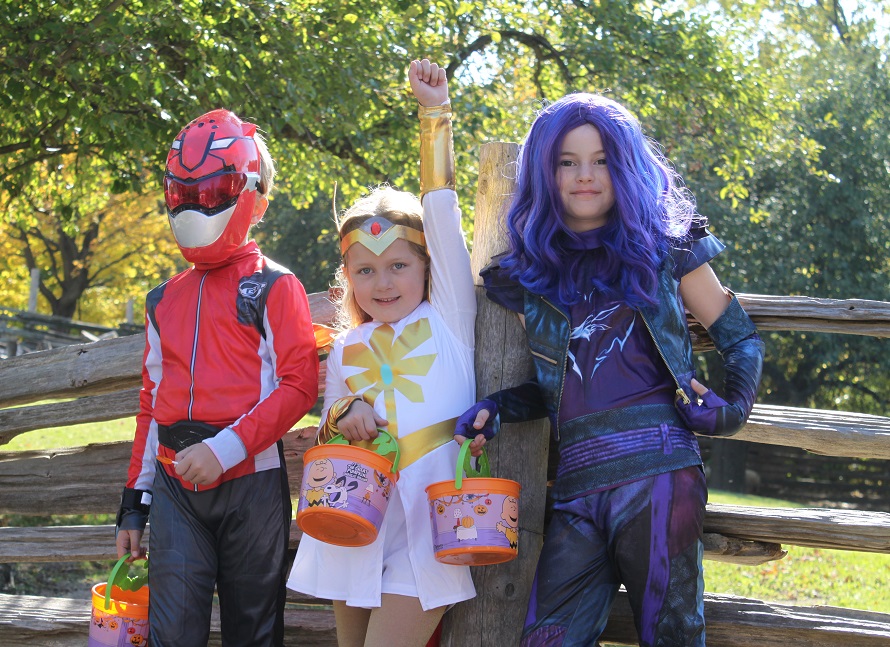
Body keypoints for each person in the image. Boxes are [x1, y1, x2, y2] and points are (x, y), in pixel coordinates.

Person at [453, 93, 764, 646]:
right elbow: (559, 388)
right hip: (575, 486)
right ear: (545, 173)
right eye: (567, 162)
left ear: (624, 165)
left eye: (600, 160)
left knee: (671, 634)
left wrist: (732, 408)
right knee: (547, 639)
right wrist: (497, 407)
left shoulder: (666, 246)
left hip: (660, 470)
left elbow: (738, 337)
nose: (584, 175)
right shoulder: (528, 273)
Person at [287, 59, 476, 647]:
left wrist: (433, 115)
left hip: (429, 528)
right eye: (365, 270)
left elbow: (441, 209)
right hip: (355, 524)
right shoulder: (346, 346)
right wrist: (348, 414)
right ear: (346, 278)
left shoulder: (449, 321)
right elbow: (330, 422)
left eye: (399, 265)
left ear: (426, 269)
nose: (384, 282)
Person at [115, 108, 320, 646]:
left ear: (256, 200)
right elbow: (151, 402)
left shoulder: (276, 287)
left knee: (252, 634)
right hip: (176, 488)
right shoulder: (163, 299)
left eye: (214, 191)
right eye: (183, 192)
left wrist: (226, 449)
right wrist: (134, 505)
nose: (196, 204)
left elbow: (299, 387)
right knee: (172, 634)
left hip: (251, 486)